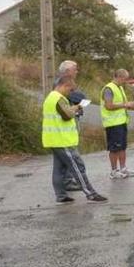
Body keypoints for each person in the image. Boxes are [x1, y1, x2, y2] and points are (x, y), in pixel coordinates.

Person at [42, 75, 107, 203]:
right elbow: (67, 115)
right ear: (63, 86)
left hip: (55, 140)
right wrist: (77, 107)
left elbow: (64, 113)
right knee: (78, 166)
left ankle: (61, 196)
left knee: (59, 169)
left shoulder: (51, 97)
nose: (70, 93)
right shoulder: (58, 99)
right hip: (62, 140)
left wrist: (74, 108)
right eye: (70, 89)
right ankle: (91, 194)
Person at [55, 61, 86, 191]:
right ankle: (68, 182)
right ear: (67, 71)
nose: (76, 72)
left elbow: (80, 97)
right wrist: (78, 100)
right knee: (69, 157)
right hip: (64, 128)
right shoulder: (60, 84)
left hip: (70, 123)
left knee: (66, 158)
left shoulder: (68, 83)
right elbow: (79, 96)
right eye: (75, 69)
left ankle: (66, 183)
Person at [101, 69, 134, 179]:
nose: (125, 82)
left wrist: (128, 105)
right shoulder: (108, 89)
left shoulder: (119, 87)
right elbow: (109, 106)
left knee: (122, 146)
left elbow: (121, 104)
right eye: (125, 79)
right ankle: (114, 171)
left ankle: (123, 168)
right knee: (114, 148)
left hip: (121, 122)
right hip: (112, 124)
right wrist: (125, 105)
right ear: (119, 77)